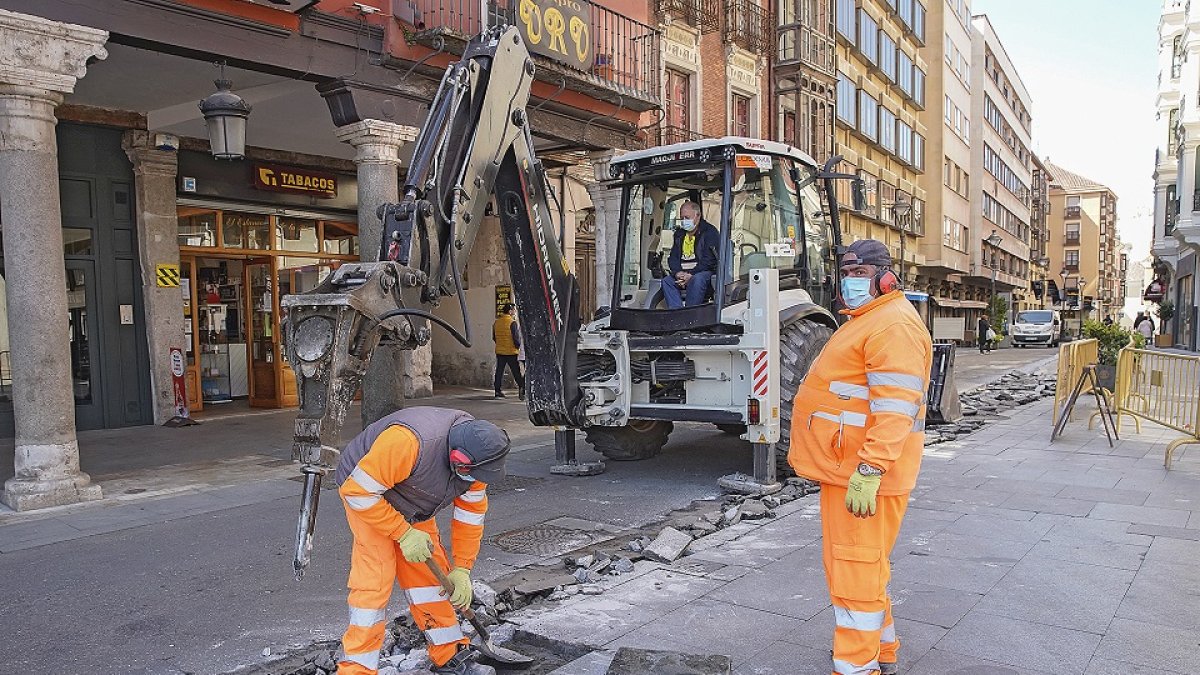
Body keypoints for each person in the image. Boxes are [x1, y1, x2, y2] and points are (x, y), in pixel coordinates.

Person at [788, 239, 932, 675]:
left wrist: (869, 469)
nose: (850, 283)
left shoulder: (892, 326)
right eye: (847, 275)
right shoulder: (871, 319)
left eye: (860, 274)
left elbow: (895, 410)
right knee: (865, 566)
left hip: (863, 475)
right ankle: (881, 651)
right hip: (849, 470)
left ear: (886, 278)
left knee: (855, 569)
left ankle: (856, 665)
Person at [335, 407, 510, 675]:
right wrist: (402, 532)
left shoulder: (480, 459)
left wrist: (462, 568)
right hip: (367, 494)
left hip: (414, 498)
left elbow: (470, 516)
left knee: (430, 578)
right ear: (458, 460)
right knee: (375, 579)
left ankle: (448, 653)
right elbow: (357, 492)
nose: (477, 482)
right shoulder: (409, 442)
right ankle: (356, 669)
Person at [661, 201, 720, 309]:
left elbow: (709, 260)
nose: (684, 221)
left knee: (697, 280)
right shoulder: (679, 234)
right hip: (683, 274)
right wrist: (678, 273)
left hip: (703, 273)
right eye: (682, 218)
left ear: (698, 216)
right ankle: (676, 312)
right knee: (667, 281)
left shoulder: (710, 232)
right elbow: (673, 258)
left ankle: (690, 312)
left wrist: (690, 275)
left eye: (687, 217)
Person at [492, 303, 524, 399]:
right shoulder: (512, 322)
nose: (514, 312)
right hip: (511, 352)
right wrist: (518, 347)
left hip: (500, 351)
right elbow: (516, 338)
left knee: (499, 371)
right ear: (510, 311)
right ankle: (522, 388)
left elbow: (494, 337)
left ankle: (497, 391)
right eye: (514, 310)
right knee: (516, 372)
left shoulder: (496, 323)